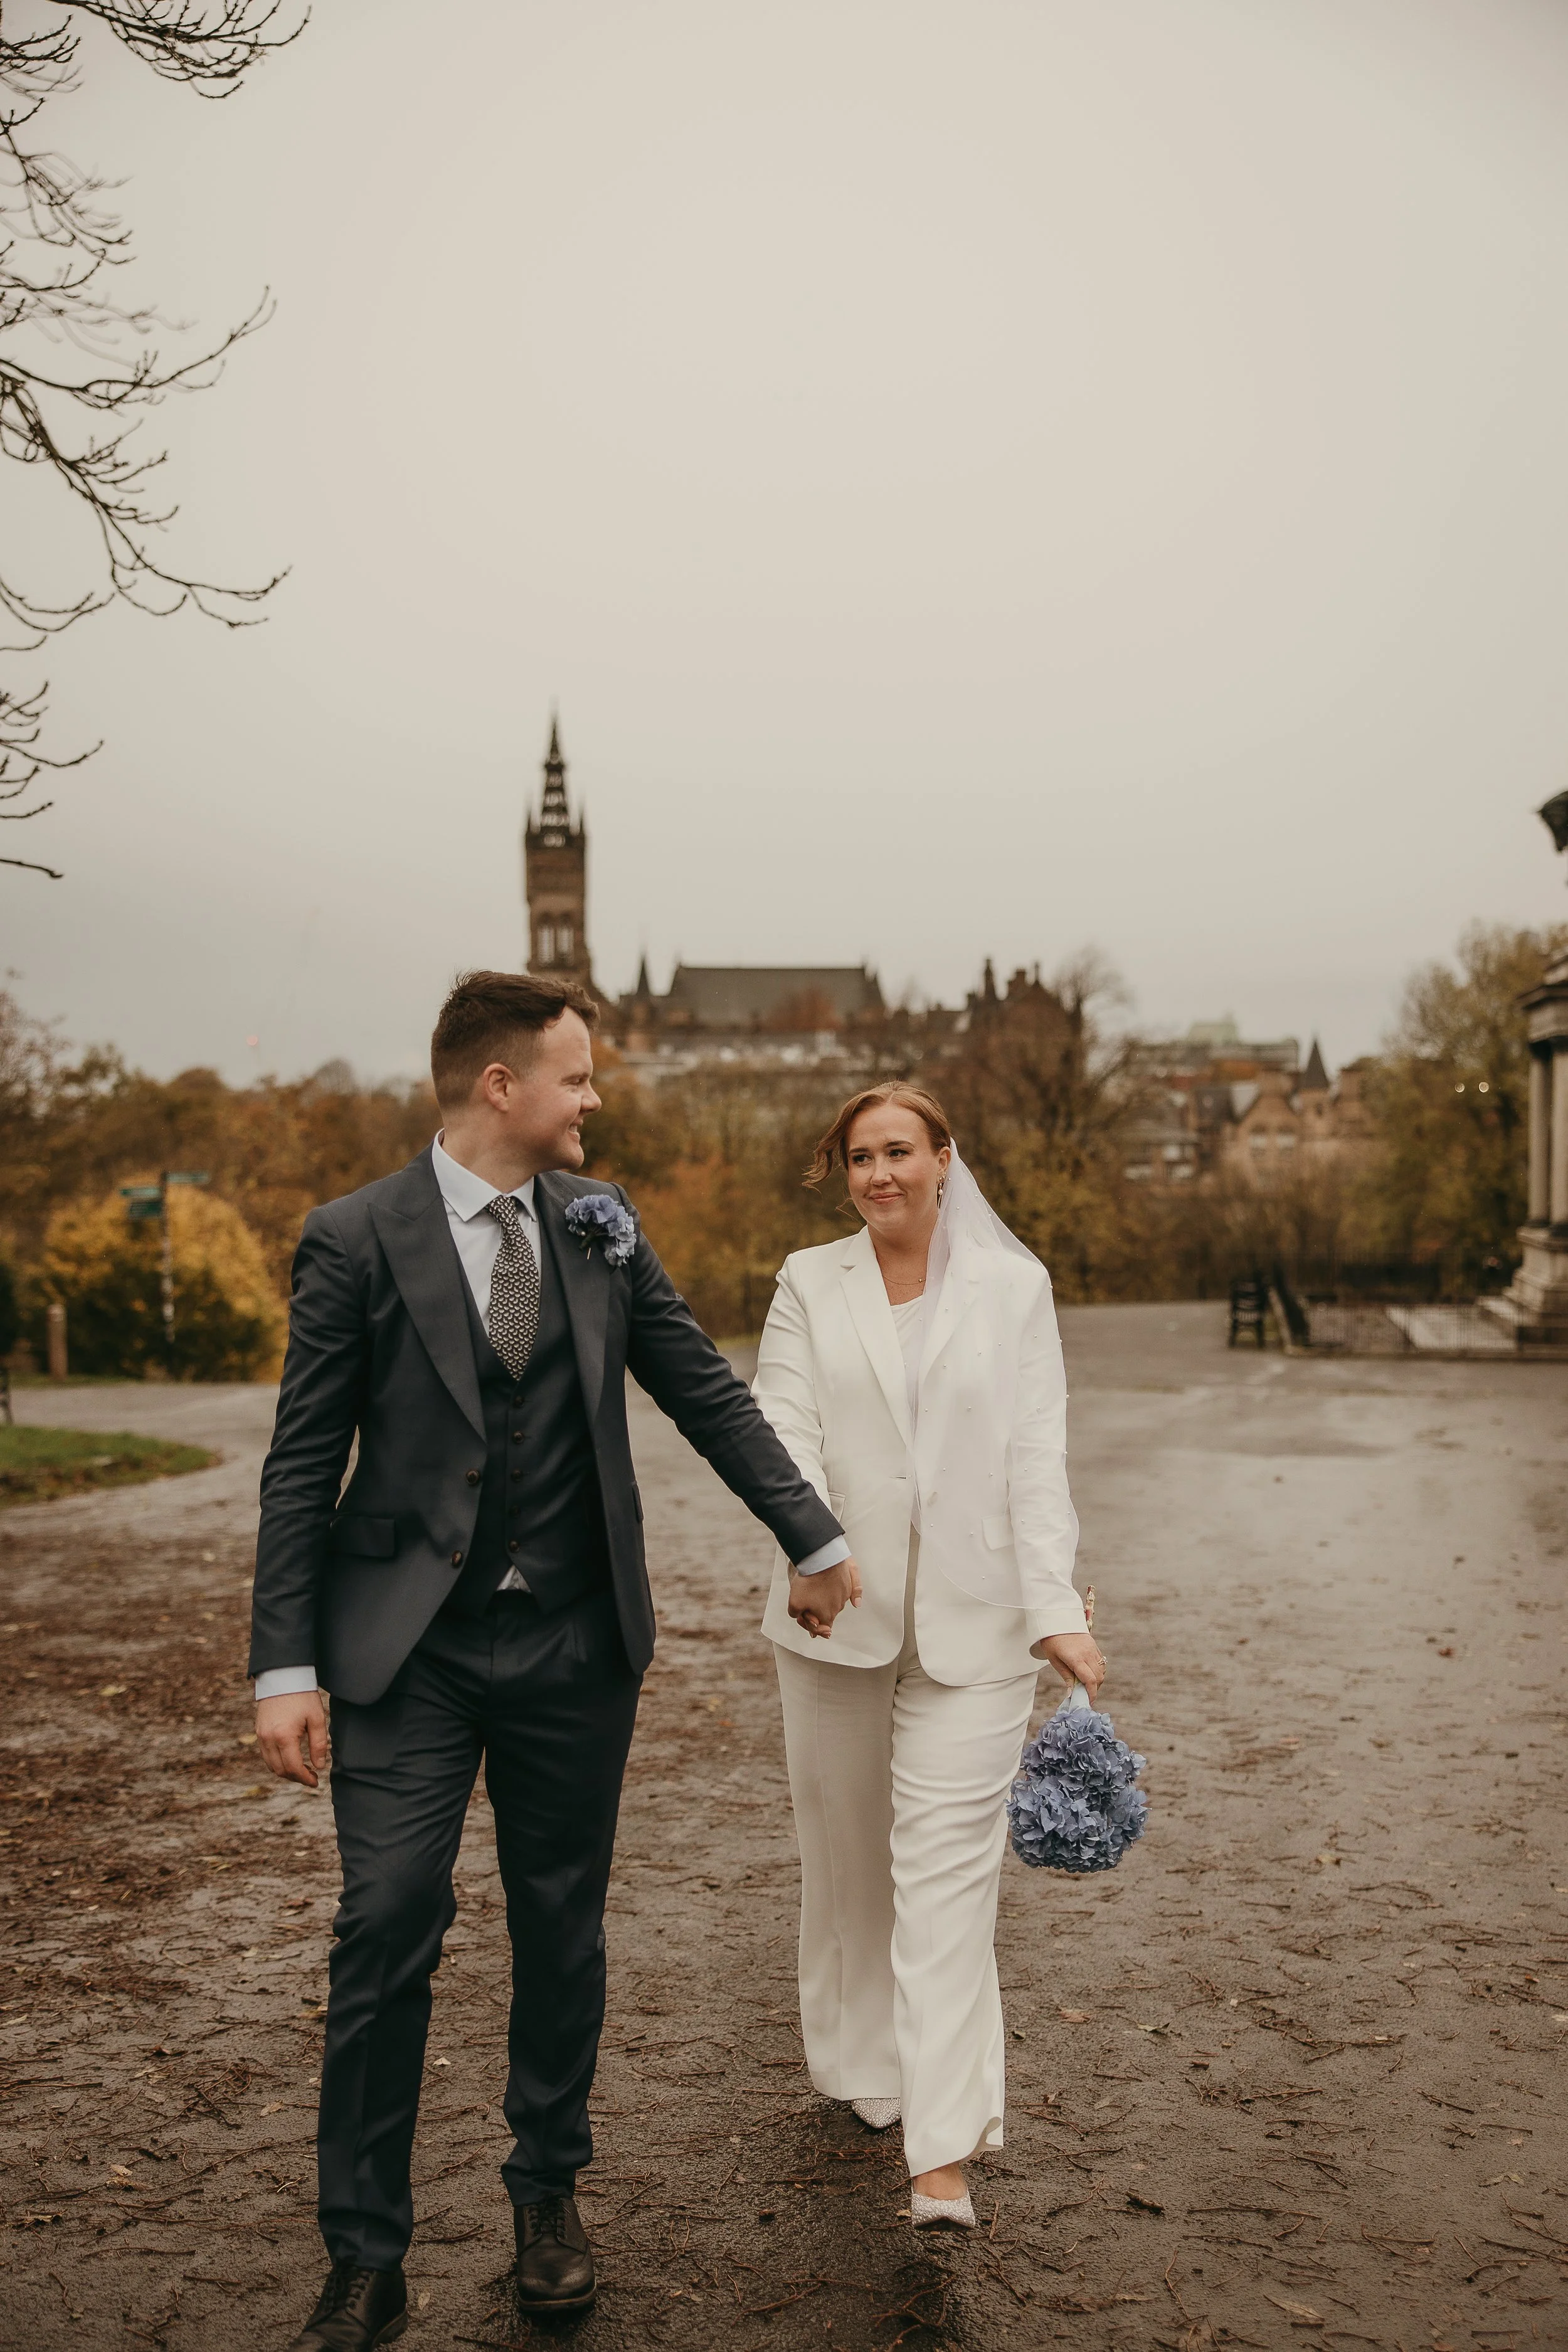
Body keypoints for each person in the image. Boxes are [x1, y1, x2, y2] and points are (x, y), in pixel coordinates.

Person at [249, 971, 861, 2350]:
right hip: (404, 1651)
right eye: (577, 1078)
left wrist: (811, 1537)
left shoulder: (599, 1230)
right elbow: (301, 1466)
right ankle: (364, 2258)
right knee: (385, 1919)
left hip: (574, 1641)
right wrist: (282, 1664)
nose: (596, 1101)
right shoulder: (352, 1238)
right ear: (499, 1089)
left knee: (559, 1926)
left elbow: (701, 1385)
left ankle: (548, 2197)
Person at [752, 1082, 1104, 2227]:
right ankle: (866, 2065)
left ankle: (943, 2152)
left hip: (981, 1625)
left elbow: (1036, 1459)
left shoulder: (1015, 1289)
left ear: (946, 1157)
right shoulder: (812, 1280)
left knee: (946, 1886)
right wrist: (813, 1545)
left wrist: (1056, 1607)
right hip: (833, 1621)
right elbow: (781, 1426)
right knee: (851, 1869)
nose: (880, 1174)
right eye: (860, 1157)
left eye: (900, 1150)